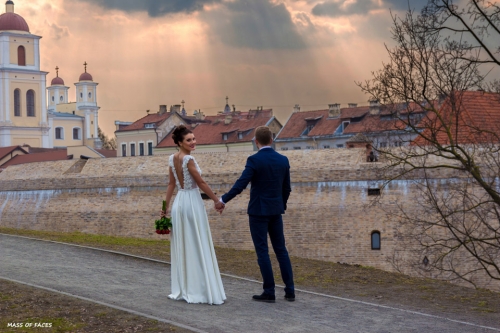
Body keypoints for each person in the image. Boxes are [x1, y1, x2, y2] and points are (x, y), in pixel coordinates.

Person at [216, 126, 295, 303]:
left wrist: (223, 200)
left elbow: (241, 184)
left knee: (263, 252)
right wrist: (280, 204)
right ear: (272, 140)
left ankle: (269, 291)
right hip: (276, 211)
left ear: (256, 141)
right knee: (281, 250)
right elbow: (287, 188)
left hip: (258, 211)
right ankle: (290, 290)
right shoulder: (283, 160)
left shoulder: (254, 160)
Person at [161, 125, 226, 305]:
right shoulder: (188, 159)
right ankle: (199, 289)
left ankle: (185, 288)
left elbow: (170, 184)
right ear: (180, 142)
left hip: (179, 203)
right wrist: (216, 200)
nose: (193, 142)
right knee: (197, 243)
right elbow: (201, 182)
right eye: (189, 140)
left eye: (194, 139)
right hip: (191, 203)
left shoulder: (172, 158)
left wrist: (165, 207)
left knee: (184, 244)